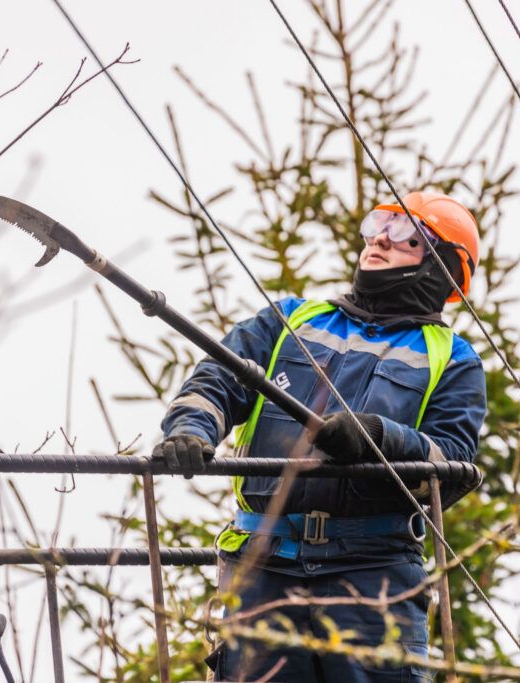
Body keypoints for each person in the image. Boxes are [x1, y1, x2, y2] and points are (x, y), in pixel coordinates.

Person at [152, 191, 487, 682]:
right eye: (376, 228)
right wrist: (189, 429)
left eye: (404, 237)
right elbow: (217, 380)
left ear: (440, 267)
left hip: (372, 582)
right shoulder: (291, 319)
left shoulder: (453, 359)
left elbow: (450, 466)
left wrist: (379, 438)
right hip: (263, 569)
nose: (378, 242)